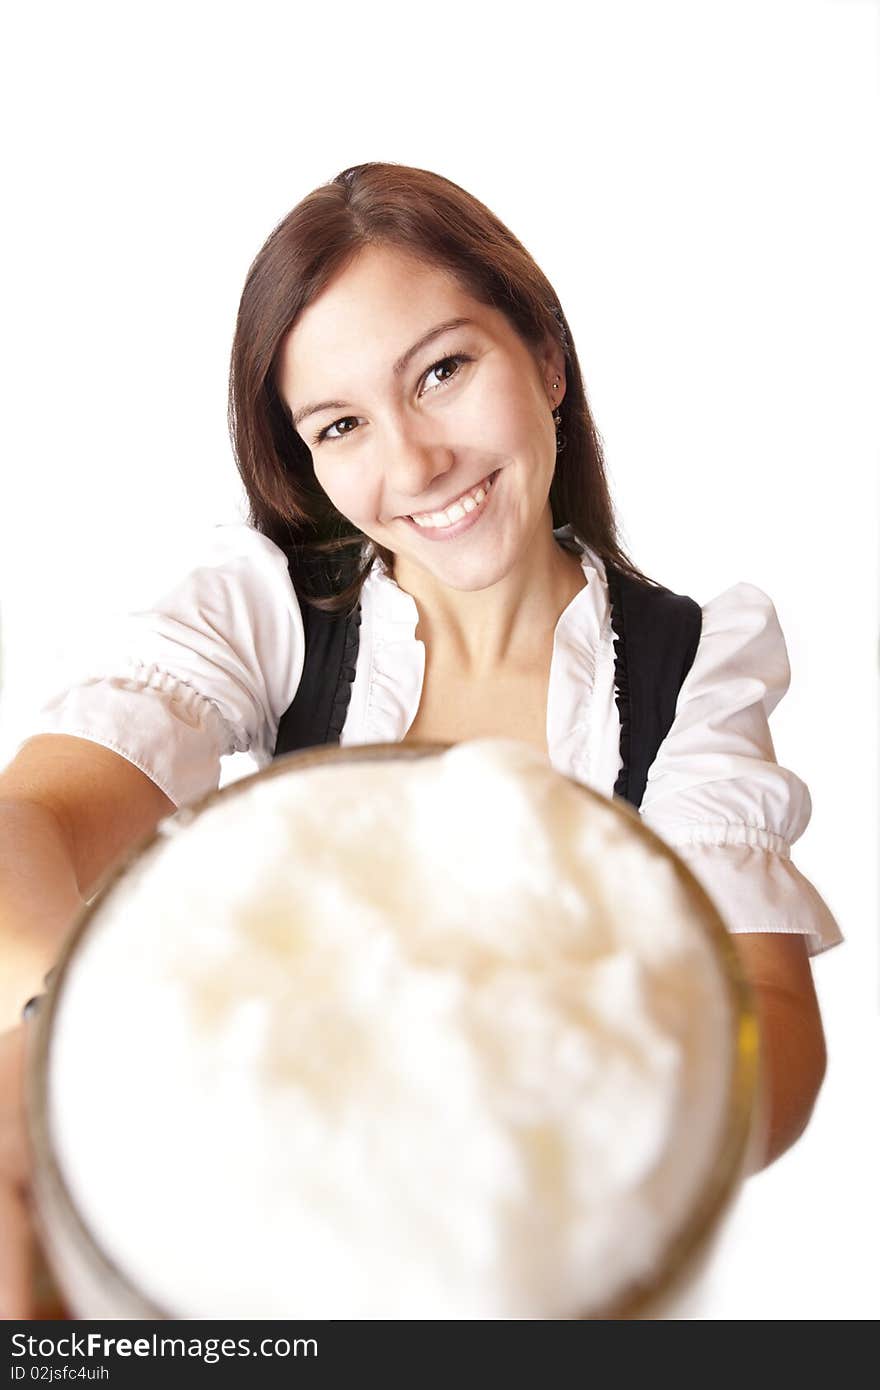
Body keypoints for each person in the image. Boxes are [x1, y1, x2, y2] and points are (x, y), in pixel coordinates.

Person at [0, 161, 842, 1316]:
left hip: (528, 1261)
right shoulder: (271, 612)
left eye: (442, 371)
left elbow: (774, 1025)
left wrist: (534, 1133)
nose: (412, 463)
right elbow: (26, 827)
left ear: (545, 358)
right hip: (266, 1231)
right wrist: (69, 1038)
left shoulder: (689, 664)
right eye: (341, 424)